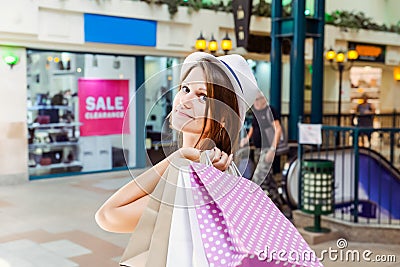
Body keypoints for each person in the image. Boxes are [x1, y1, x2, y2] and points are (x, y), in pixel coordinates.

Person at [95, 52, 260, 233]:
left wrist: (176, 159)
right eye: (185, 89)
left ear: (223, 118)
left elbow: (108, 215)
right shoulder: (204, 167)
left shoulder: (197, 176)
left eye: (203, 96)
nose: (185, 101)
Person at [240, 91, 284, 208]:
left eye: (257, 100)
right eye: (254, 101)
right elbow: (253, 128)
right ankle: (279, 205)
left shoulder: (270, 111)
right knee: (269, 180)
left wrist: (272, 149)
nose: (255, 103)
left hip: (267, 149)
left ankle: (253, 207)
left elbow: (278, 129)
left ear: (263, 99)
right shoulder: (256, 112)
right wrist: (246, 139)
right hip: (258, 149)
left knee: (258, 178)